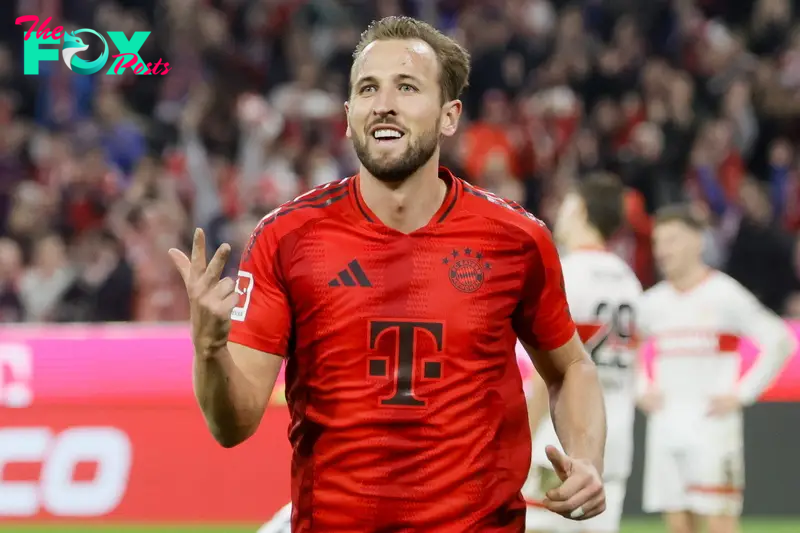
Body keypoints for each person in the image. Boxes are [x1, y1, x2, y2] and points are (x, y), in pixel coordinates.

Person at [169, 16, 607, 532]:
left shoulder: (515, 238)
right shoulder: (287, 238)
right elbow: (232, 425)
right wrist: (209, 350)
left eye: (407, 87)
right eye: (368, 88)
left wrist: (586, 459)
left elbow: (571, 367)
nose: (384, 103)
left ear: (449, 116)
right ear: (350, 112)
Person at [637, 205, 795, 533]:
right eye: (658, 242)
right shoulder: (651, 302)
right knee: (678, 525)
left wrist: (743, 393)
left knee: (721, 523)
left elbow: (780, 340)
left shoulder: (724, 294)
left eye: (672, 240)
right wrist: (640, 388)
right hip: (666, 427)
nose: (662, 250)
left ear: (697, 241)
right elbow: (621, 350)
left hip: (713, 429)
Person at [523, 174, 643, 533]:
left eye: (567, 204)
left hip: (558, 442)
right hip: (613, 442)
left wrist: (522, 436)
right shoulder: (629, 281)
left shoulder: (565, 273)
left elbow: (554, 370)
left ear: (581, 210)